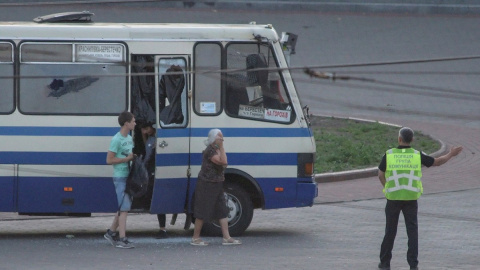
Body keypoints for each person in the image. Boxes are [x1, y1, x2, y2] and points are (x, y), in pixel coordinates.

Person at [377, 127, 463, 270]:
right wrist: (451, 154)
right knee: (412, 232)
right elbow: (437, 161)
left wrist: (387, 188)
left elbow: (380, 174)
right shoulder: (417, 155)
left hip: (393, 198)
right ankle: (413, 265)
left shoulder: (389, 154)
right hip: (411, 198)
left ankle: (385, 263)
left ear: (399, 139)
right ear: (412, 140)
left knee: (390, 231)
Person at [190, 129, 241, 246]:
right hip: (207, 184)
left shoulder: (217, 149)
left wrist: (221, 148)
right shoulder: (210, 151)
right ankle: (195, 238)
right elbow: (223, 162)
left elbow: (225, 162)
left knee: (222, 209)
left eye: (222, 138)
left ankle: (226, 237)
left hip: (217, 183)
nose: (222, 140)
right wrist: (222, 148)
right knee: (202, 210)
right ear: (213, 139)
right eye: (219, 138)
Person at [104, 111, 136, 249]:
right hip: (120, 176)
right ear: (126, 123)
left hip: (128, 176)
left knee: (123, 207)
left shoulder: (129, 138)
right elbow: (109, 160)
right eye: (133, 121)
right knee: (124, 209)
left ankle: (111, 233)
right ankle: (122, 239)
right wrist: (126, 159)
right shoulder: (116, 139)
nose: (135, 123)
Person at [140, 123, 168, 239]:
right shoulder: (151, 138)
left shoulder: (159, 139)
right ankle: (162, 228)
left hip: (154, 170)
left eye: (146, 129)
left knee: (157, 197)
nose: (145, 132)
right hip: (149, 169)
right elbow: (146, 149)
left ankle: (163, 229)